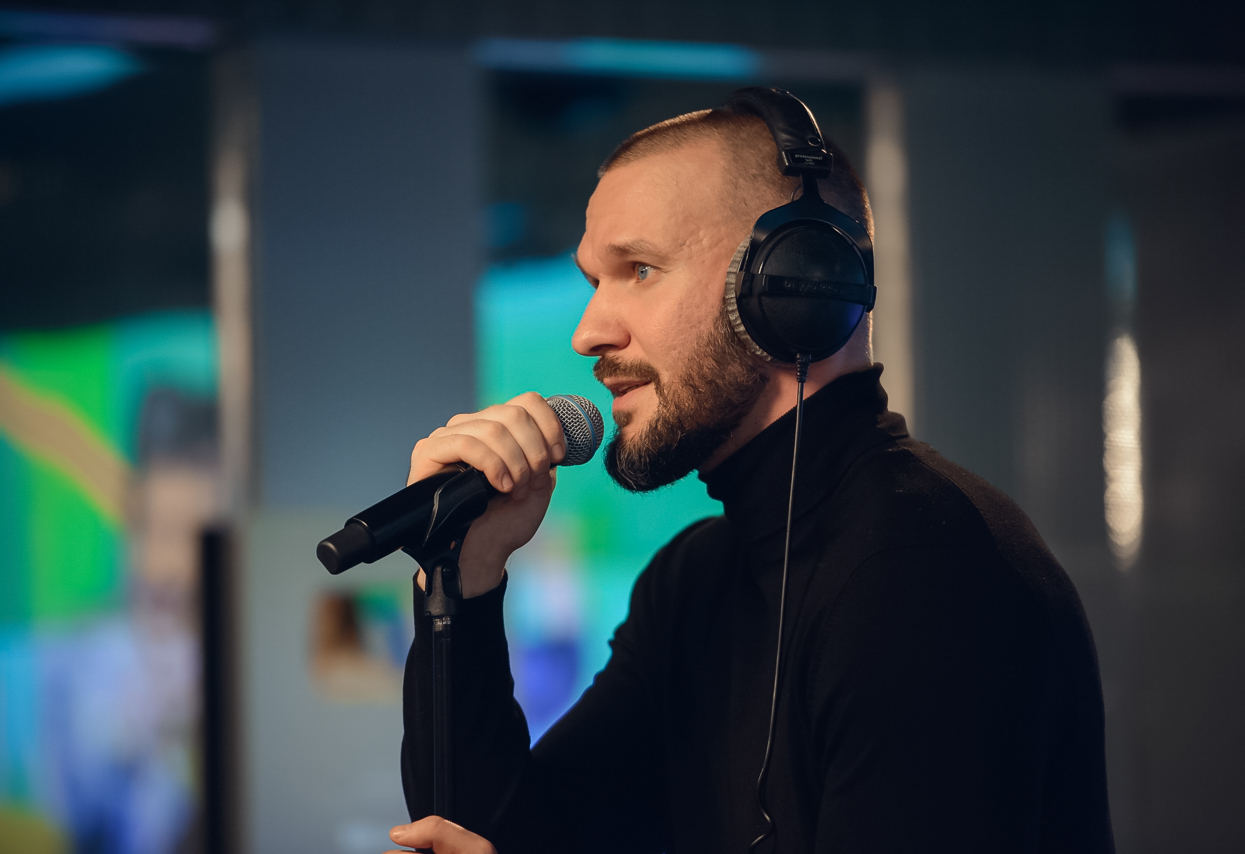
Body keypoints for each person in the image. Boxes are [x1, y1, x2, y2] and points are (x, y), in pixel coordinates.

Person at [385, 101, 1114, 854]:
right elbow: (479, 834)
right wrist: (465, 578)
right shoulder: (696, 581)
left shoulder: (924, 573)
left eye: (639, 270)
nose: (588, 333)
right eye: (595, 281)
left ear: (792, 283)